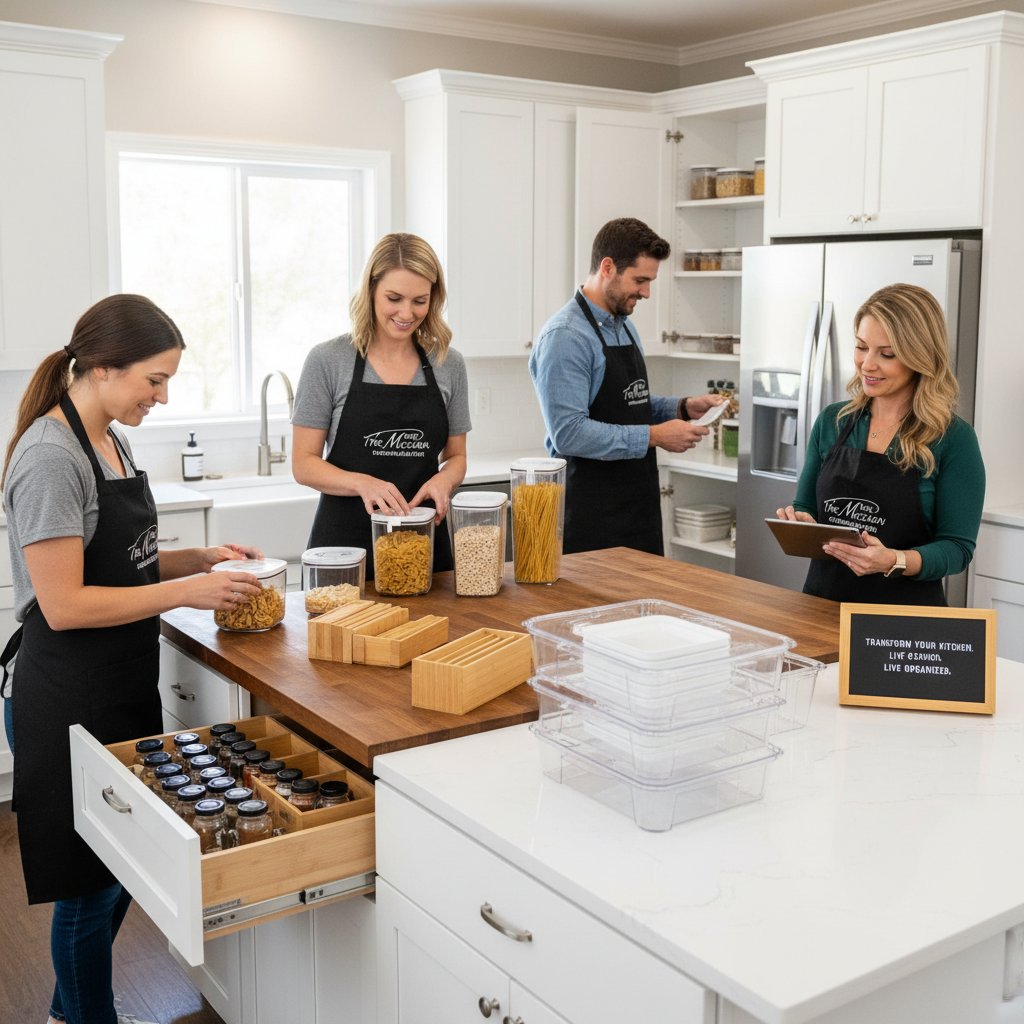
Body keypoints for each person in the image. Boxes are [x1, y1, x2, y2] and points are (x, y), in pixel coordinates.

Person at [0, 294, 264, 1024]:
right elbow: (65, 604)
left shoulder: (108, 437)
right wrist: (190, 589)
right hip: (66, 698)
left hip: (116, 687)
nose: (163, 395)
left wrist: (198, 557)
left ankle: (68, 1012)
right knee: (87, 894)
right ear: (104, 367)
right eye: (154, 379)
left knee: (118, 874)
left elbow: (123, 563)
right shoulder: (52, 457)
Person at [774, 282, 985, 605]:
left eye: (886, 354)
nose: (867, 364)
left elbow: (957, 549)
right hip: (822, 607)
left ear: (920, 357)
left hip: (904, 623)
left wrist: (893, 561)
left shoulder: (953, 439)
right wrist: (802, 522)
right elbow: (806, 507)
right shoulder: (833, 422)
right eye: (861, 347)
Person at [529, 217, 725, 555]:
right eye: (640, 280)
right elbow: (569, 433)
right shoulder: (566, 336)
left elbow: (628, 405)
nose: (646, 292)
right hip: (590, 516)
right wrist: (656, 436)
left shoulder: (623, 326)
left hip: (638, 508)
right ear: (608, 267)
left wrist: (682, 407)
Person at [292, 233, 470, 577]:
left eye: (420, 300)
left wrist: (444, 482)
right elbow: (303, 464)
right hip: (344, 553)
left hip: (423, 547)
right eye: (394, 298)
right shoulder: (329, 360)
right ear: (371, 290)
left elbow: (457, 456)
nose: (407, 313)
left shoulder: (449, 364)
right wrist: (363, 483)